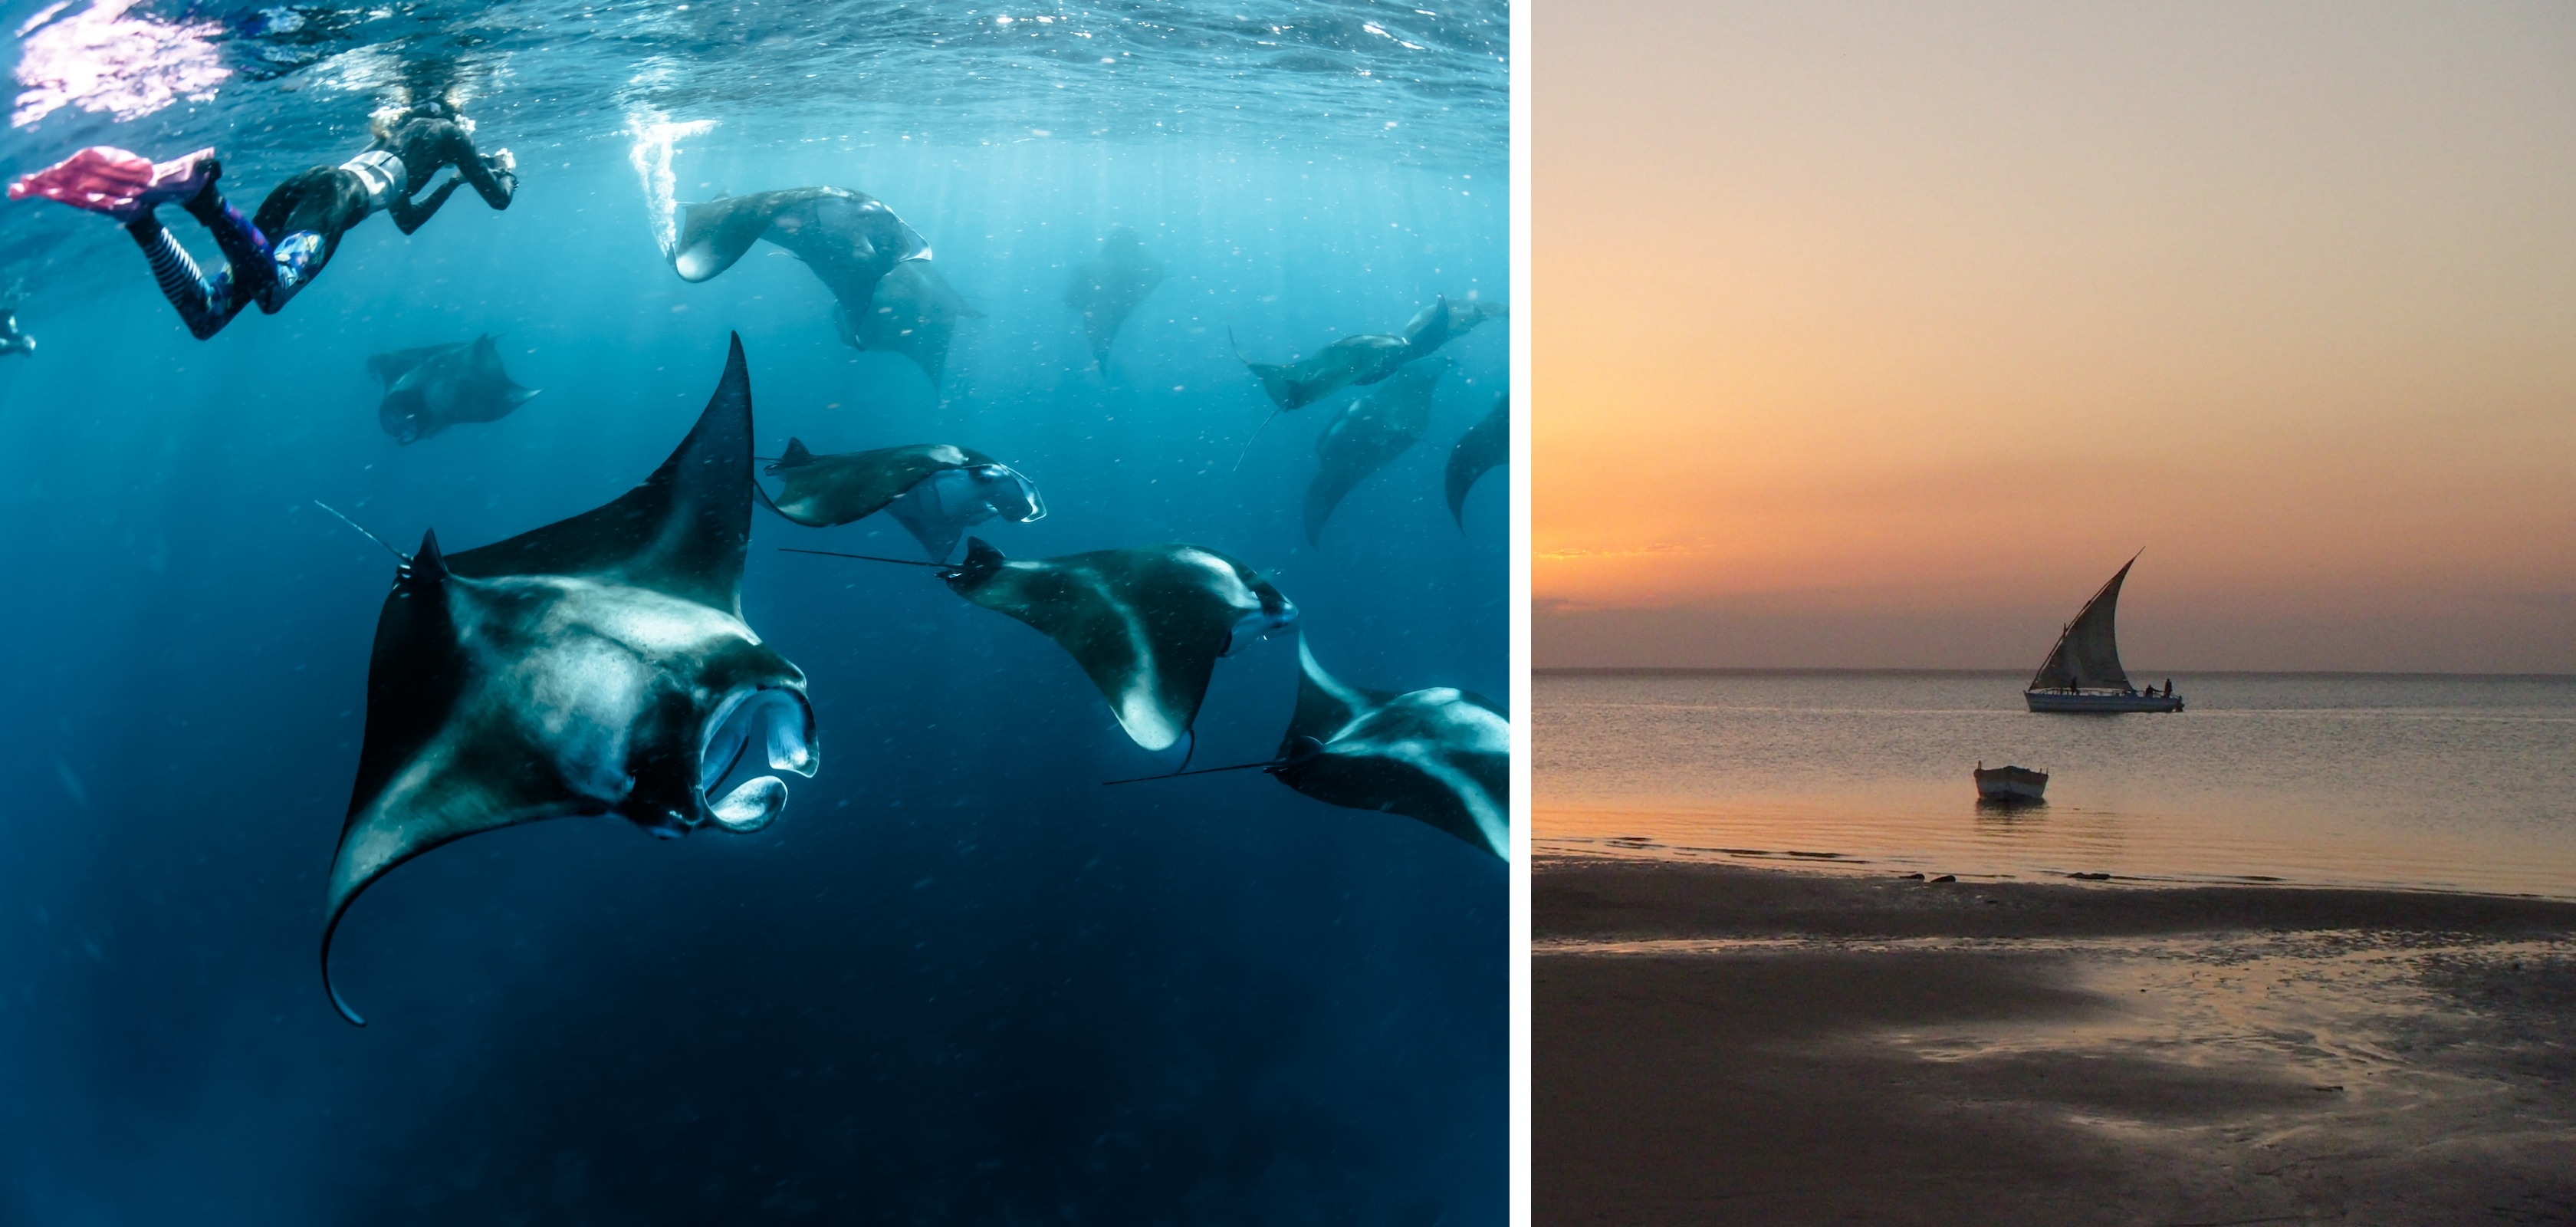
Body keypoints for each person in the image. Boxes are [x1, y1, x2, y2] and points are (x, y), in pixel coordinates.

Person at [6, 97, 516, 340]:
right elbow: (500, 200)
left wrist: (452, 182)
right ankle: (205, 199)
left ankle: (140, 218)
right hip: (335, 201)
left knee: (207, 318)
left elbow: (405, 219)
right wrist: (502, 172)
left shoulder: (402, 137)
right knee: (272, 294)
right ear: (457, 114)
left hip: (307, 185)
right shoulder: (452, 136)